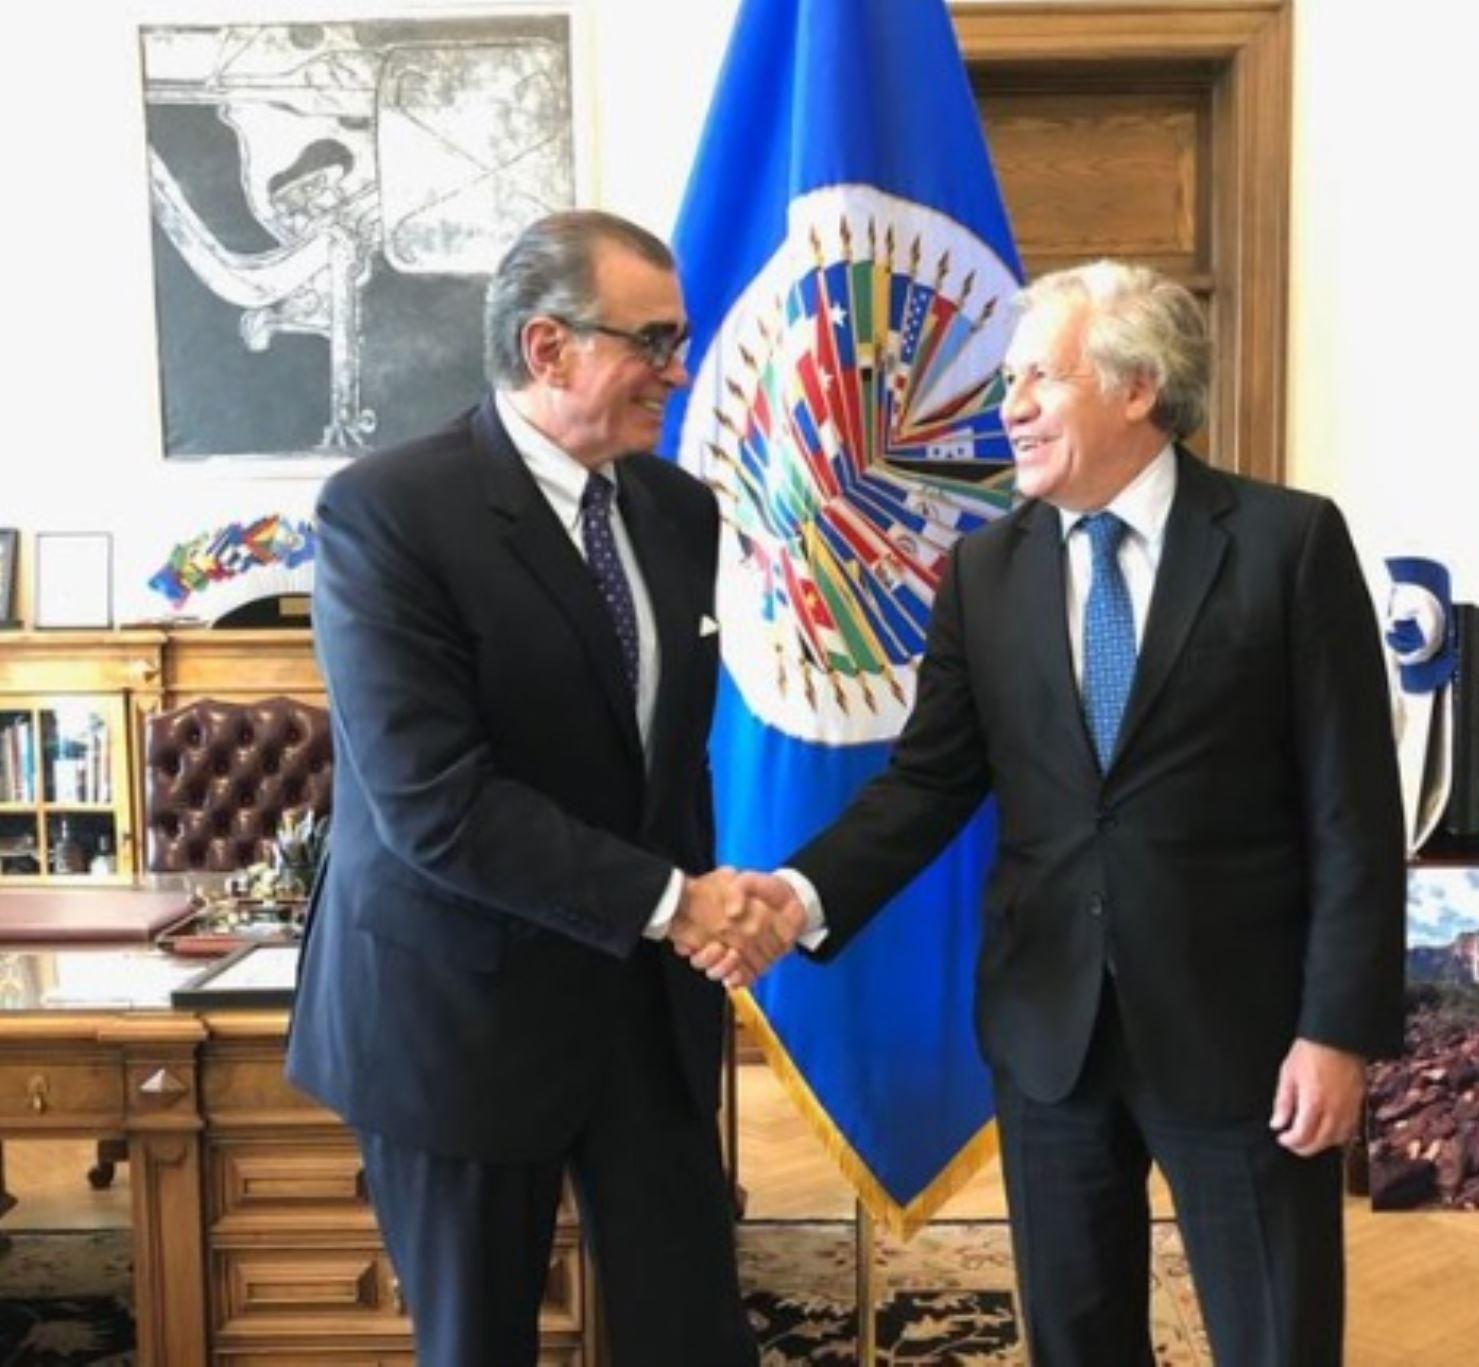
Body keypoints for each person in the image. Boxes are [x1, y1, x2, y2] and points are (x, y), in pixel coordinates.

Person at [718, 260, 1406, 1366]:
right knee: (1077, 1338)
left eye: (1040, 377)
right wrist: (795, 894)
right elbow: (927, 782)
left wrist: (1337, 1030)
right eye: (1007, 381)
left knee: (1277, 1335)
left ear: (1138, 388)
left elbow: (1354, 814)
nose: (1010, 407)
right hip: (1051, 1032)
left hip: (1246, 1031)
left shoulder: (1287, 545)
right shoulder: (983, 573)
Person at [286, 210, 789, 1367]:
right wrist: (674, 899)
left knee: (697, 1333)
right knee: (478, 1344)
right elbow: (434, 803)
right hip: (456, 1008)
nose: (681, 369)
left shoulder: (675, 509)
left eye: (683, 338)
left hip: (641, 1010)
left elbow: (663, 758)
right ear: (548, 346)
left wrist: (709, 909)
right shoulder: (387, 513)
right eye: (654, 341)